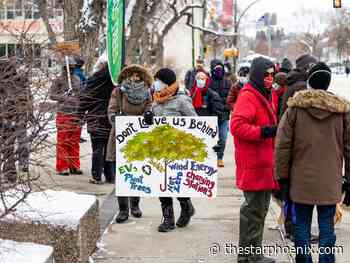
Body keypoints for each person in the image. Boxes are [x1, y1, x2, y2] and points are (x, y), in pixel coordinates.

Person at [275, 62, 350, 263]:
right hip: (330, 180)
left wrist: (282, 177)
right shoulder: (342, 112)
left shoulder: (295, 109)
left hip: (301, 181)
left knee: (301, 227)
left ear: (310, 81)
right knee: (327, 228)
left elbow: (282, 146)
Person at [231, 57, 279, 263]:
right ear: (258, 75)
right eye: (266, 75)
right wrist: (264, 131)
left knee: (259, 211)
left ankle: (253, 254)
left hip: (263, 163)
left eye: (272, 75)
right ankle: (248, 257)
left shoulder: (263, 94)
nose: (270, 79)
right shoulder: (249, 96)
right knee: (253, 211)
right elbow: (237, 126)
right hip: (254, 164)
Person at [144, 68, 197, 233]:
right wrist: (148, 118)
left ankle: (186, 206)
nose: (156, 84)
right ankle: (168, 218)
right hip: (159, 149)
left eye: (159, 80)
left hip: (177, 149)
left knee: (176, 183)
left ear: (167, 82)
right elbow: (151, 124)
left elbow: (195, 123)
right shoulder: (156, 101)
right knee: (162, 184)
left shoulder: (181, 100)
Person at [106, 64, 153, 223]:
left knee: (137, 172)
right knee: (122, 173)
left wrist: (148, 114)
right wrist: (114, 118)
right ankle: (123, 209)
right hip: (121, 134)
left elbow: (150, 107)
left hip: (139, 135)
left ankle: (135, 206)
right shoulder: (119, 91)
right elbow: (112, 108)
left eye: (138, 75)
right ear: (127, 76)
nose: (135, 77)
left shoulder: (147, 91)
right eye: (132, 75)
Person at [79, 62, 115, 185]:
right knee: (110, 149)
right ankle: (110, 176)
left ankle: (97, 176)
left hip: (96, 119)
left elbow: (84, 100)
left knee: (97, 149)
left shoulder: (94, 81)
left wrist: (80, 115)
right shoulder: (116, 82)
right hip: (111, 120)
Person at [50, 57, 83, 176]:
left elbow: (81, 95)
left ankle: (74, 165)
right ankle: (62, 166)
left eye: (73, 67)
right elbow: (52, 95)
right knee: (63, 141)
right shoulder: (58, 80)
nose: (71, 69)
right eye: (69, 68)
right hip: (64, 113)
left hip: (76, 113)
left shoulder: (78, 80)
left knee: (74, 141)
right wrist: (64, 96)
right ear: (64, 68)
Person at [209, 59, 231, 167]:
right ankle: (211, 157)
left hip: (224, 115)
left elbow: (231, 97)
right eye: (216, 69)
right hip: (212, 116)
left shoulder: (228, 82)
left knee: (223, 138)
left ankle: (220, 157)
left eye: (220, 69)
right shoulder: (208, 82)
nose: (219, 71)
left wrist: (227, 106)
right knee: (212, 139)